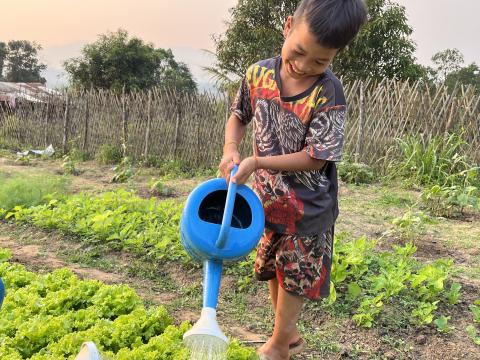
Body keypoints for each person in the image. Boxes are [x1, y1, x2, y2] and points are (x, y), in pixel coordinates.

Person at [218, 1, 368, 359]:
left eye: (320, 61)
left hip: (308, 208)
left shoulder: (328, 92)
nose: (303, 66)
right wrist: (230, 149)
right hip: (266, 202)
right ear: (287, 27)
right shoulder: (257, 75)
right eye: (298, 52)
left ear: (335, 56)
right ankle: (285, 333)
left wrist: (256, 160)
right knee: (273, 269)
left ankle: (279, 346)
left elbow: (316, 158)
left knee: (295, 275)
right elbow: (238, 115)